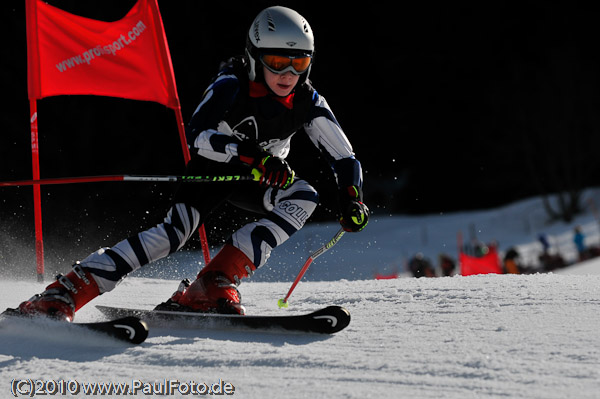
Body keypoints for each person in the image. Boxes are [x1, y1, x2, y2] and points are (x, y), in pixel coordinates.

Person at [15, 6, 369, 321]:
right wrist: (252, 155)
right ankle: (66, 291)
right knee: (171, 236)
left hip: (259, 177)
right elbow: (196, 135)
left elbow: (344, 155)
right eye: (277, 62)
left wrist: (352, 197)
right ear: (254, 57)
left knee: (304, 195)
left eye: (300, 62)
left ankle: (214, 283)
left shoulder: (307, 99)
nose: (288, 73)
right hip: (211, 171)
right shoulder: (232, 83)